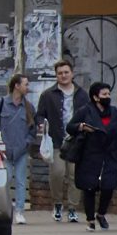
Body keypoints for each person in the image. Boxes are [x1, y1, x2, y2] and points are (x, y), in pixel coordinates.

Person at [68, 81, 117, 230]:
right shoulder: (85, 111)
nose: (107, 97)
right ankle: (90, 219)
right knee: (89, 188)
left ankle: (101, 213)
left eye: (108, 94)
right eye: (104, 94)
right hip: (90, 155)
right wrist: (81, 127)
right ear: (95, 97)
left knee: (108, 187)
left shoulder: (116, 113)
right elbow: (70, 127)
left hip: (109, 155)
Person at [35, 60, 83, 224]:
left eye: (66, 72)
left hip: (76, 141)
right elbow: (40, 114)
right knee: (57, 173)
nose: (63, 76)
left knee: (74, 176)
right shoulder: (48, 95)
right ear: (56, 76)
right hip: (56, 141)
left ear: (72, 74)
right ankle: (57, 203)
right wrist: (42, 124)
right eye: (60, 73)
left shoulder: (81, 94)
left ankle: (72, 208)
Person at [0, 73, 39, 219]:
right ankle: (5, 208)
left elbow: (32, 129)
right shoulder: (1, 103)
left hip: (21, 150)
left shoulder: (29, 107)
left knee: (21, 181)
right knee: (5, 180)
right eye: (25, 84)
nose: (27, 87)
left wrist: (27, 142)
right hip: (4, 150)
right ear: (17, 86)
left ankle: (20, 210)